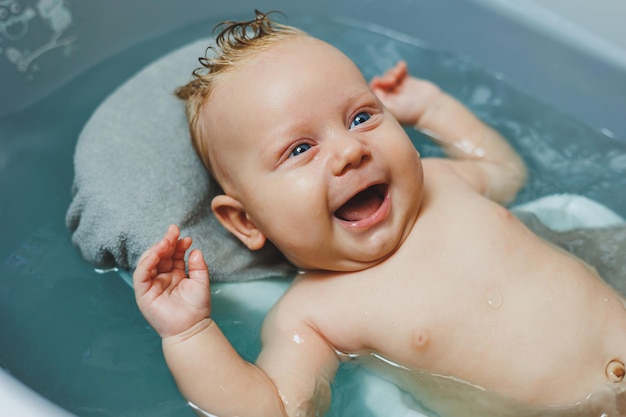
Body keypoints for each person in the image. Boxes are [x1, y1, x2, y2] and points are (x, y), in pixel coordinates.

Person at [132, 11, 626, 417]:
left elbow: (502, 170)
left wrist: (431, 107)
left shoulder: (441, 181)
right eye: (301, 149)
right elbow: (276, 411)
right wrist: (189, 333)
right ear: (247, 222)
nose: (350, 150)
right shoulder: (314, 315)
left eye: (361, 117)